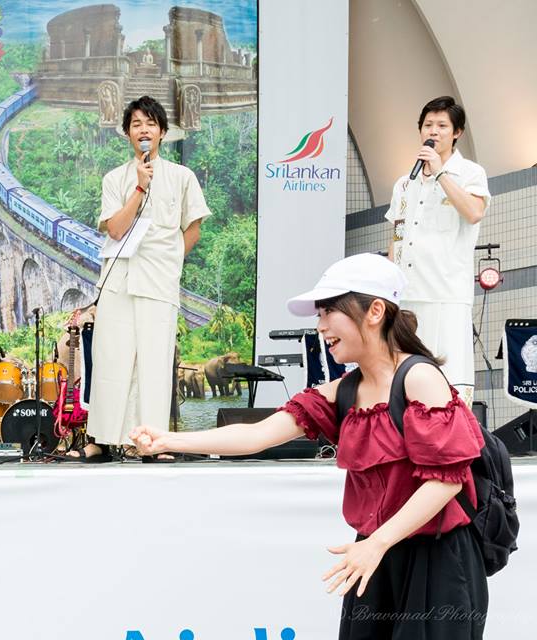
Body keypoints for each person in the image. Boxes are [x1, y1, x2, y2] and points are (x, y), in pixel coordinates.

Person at [132, 253, 488, 639]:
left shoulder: (420, 378)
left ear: (375, 311)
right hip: (371, 557)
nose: (320, 326)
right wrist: (169, 439)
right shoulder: (344, 391)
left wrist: (378, 543)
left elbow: (446, 479)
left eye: (329, 311)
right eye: (319, 314)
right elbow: (257, 435)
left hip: (436, 558)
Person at [79, 95, 211, 460]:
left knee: (154, 363)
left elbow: (193, 228)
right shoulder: (114, 178)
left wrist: (170, 261)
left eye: (150, 124)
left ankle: (151, 443)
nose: (143, 130)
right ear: (127, 133)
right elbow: (116, 229)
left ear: (162, 132)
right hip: (119, 280)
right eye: (136, 124)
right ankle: (103, 439)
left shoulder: (182, 177)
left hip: (159, 281)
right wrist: (139, 186)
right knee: (112, 359)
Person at [386, 96, 490, 406]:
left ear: (457, 132)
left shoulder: (470, 173)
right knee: (402, 372)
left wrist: (441, 173)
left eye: (442, 126)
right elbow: (397, 234)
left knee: (448, 374)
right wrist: (389, 284)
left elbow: (474, 212)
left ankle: (453, 433)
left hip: (446, 293)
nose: (434, 131)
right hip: (406, 295)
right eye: (428, 125)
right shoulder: (405, 182)